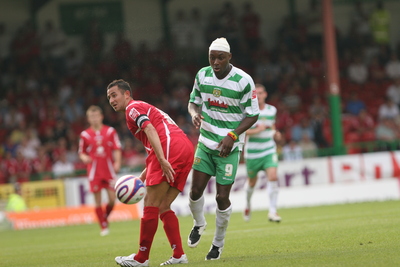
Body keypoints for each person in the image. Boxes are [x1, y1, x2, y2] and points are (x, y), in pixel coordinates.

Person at [107, 79, 194, 266]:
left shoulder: (132, 108)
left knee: (150, 202)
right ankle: (179, 255)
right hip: (184, 148)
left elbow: (150, 128)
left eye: (114, 95)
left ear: (127, 94)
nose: (111, 100)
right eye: (109, 98)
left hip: (169, 146)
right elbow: (155, 142)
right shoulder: (141, 107)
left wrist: (163, 160)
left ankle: (141, 258)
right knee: (162, 205)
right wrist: (143, 176)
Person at [187, 37, 259, 260]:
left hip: (229, 146)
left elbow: (253, 114)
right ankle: (199, 224)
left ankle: (217, 244)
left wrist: (233, 135)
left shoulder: (244, 81)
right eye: (212, 57)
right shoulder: (202, 75)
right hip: (206, 141)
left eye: (220, 57)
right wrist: (193, 114)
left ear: (229, 57)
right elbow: (193, 101)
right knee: (195, 192)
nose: (215, 62)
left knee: (221, 197)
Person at [78, 105, 122, 236]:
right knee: (97, 200)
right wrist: (85, 157)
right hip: (94, 171)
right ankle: (103, 226)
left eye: (96, 116)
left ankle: (104, 218)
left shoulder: (110, 131)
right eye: (92, 116)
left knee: (112, 199)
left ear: (101, 116)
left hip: (108, 170)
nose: (94, 118)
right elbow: (81, 152)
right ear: (88, 119)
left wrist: (118, 162)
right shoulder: (85, 134)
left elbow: (117, 147)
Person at [243, 83, 282, 223]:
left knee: (273, 176)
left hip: (268, 149)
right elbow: (242, 130)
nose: (258, 96)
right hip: (253, 153)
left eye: (261, 93)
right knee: (252, 182)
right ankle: (247, 204)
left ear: (265, 94)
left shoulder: (272, 110)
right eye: (256, 93)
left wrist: (275, 134)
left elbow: (272, 127)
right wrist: (257, 130)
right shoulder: (248, 111)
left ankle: (272, 211)